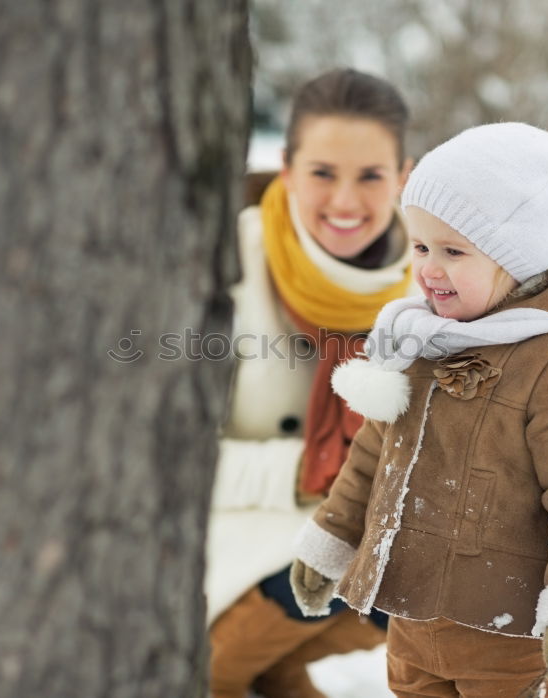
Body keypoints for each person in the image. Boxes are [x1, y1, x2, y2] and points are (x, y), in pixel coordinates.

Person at [290, 115, 548, 697]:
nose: (429, 269)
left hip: (505, 630)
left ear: (525, 260)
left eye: (453, 250)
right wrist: (329, 544)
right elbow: (373, 457)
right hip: (412, 618)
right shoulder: (422, 340)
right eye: (420, 245)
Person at [206, 69, 415, 698]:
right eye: (323, 173)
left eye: (371, 176)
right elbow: (163, 462)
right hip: (234, 536)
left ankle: (265, 673)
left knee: (425, 584)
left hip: (360, 540)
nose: (346, 203)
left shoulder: (429, 285)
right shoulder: (227, 264)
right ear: (288, 170)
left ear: (403, 176)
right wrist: (307, 472)